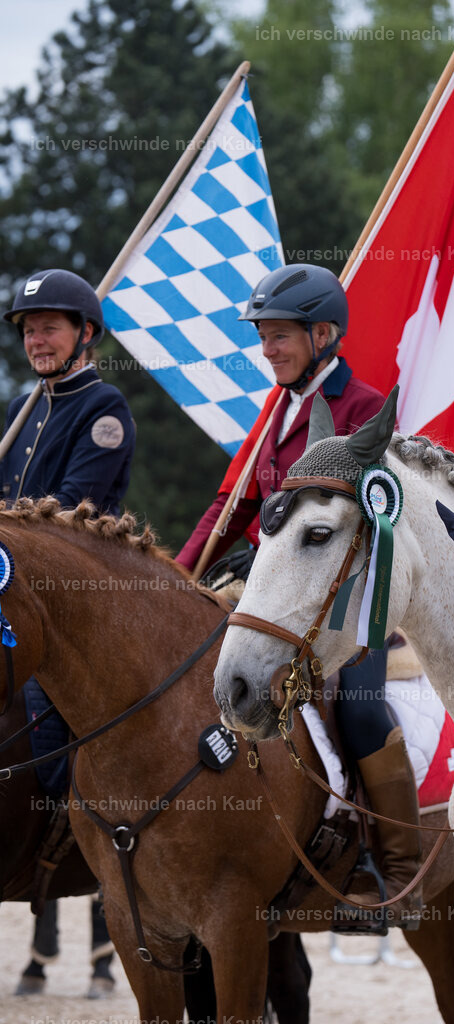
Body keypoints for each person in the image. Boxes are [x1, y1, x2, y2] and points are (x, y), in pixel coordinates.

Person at [177, 263, 423, 925]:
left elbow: (378, 524)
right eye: (263, 336)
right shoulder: (274, 410)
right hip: (270, 588)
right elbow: (230, 506)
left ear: (322, 333)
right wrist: (177, 580)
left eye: (279, 335)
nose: (267, 349)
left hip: (347, 601)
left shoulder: (364, 408)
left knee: (361, 708)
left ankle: (394, 869)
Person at [1, 268, 136, 997]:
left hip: (74, 604)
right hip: (14, 597)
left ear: (86, 333)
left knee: (52, 746)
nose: (36, 338)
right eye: (28, 328)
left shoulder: (104, 407)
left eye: (50, 325)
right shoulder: (27, 407)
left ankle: (73, 848)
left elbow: (64, 518)